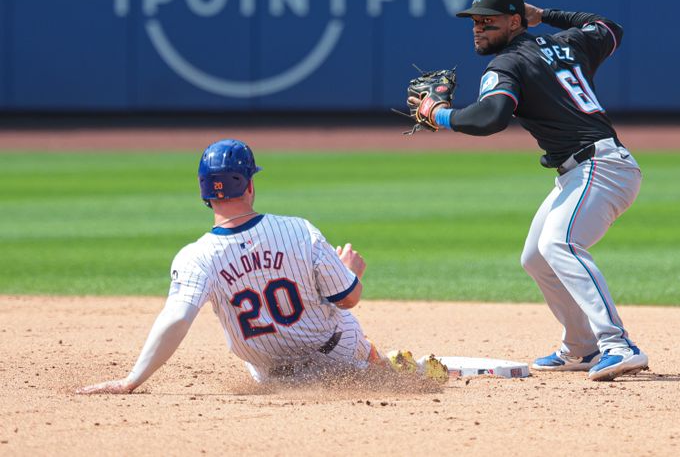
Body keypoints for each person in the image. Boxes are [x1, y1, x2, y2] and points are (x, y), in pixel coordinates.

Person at [409, 0, 648, 382]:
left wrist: (440, 114)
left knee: (560, 244)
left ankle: (618, 345)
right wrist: (547, 14)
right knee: (536, 257)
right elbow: (607, 27)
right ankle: (581, 346)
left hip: (599, 167)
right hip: (591, 168)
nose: (478, 28)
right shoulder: (568, 43)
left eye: (489, 21)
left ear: (514, 21)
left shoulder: (507, 64)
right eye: (475, 21)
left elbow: (490, 118)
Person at [77, 139, 445, 394]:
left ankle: (379, 365)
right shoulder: (299, 230)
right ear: (250, 185)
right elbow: (348, 299)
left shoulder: (195, 256)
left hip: (272, 379)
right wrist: (350, 273)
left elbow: (176, 319)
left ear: (204, 193)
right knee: (342, 318)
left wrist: (131, 380)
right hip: (338, 359)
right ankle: (382, 366)